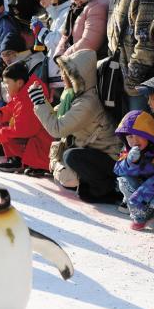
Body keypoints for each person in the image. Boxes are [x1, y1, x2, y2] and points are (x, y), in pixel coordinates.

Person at [28, 49, 122, 202]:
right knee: (68, 160)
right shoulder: (74, 96)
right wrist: (41, 100)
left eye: (65, 73)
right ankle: (98, 187)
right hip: (97, 153)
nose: (61, 75)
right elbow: (54, 116)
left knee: (71, 156)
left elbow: (56, 129)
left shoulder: (87, 102)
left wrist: (39, 102)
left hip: (112, 158)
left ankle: (109, 188)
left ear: (77, 77)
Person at [98, 0, 154, 112]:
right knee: (128, 134)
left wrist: (131, 81)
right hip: (124, 84)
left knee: (142, 133)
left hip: (141, 87)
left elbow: (148, 45)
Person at [0, 62, 52, 176]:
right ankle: (18, 160)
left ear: (19, 82)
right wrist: (0, 114)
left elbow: (22, 131)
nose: (5, 86)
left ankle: (35, 164)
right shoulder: (25, 90)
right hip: (40, 140)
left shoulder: (27, 99)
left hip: (43, 146)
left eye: (7, 83)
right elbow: (12, 107)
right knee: (3, 124)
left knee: (6, 129)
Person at [114, 110, 154, 231]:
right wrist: (130, 162)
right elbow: (117, 170)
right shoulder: (128, 150)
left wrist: (141, 195)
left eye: (138, 135)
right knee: (124, 181)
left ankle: (153, 208)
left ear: (148, 134)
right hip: (144, 193)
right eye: (130, 136)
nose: (134, 140)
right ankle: (143, 214)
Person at [31, 0, 71, 104]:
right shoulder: (59, 12)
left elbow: (59, 41)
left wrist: (41, 32)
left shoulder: (67, 11)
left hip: (64, 76)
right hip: (57, 77)